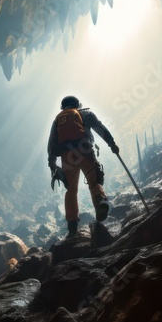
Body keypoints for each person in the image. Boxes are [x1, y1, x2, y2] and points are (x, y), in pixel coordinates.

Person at [47, 95, 119, 234]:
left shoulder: (57, 120)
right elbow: (99, 127)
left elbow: (51, 143)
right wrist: (112, 143)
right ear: (77, 104)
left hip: (67, 156)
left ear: (63, 108)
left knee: (71, 190)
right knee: (94, 181)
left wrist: (52, 164)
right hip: (84, 149)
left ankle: (72, 223)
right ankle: (99, 204)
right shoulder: (84, 113)